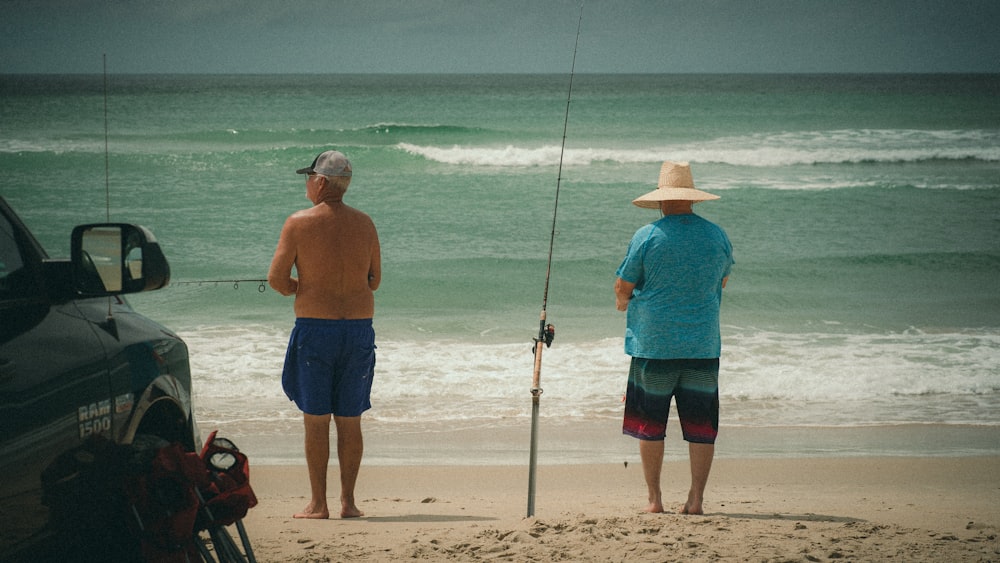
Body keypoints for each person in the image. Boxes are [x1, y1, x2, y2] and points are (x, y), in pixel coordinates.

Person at [614, 161, 734, 515]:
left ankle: (655, 500)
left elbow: (624, 285)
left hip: (654, 346)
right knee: (701, 426)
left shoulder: (648, 235)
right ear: (692, 199)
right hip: (702, 345)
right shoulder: (717, 235)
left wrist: (623, 302)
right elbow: (722, 279)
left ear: (662, 200)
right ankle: (696, 500)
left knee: (650, 425)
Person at [268, 149, 382, 519]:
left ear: (320, 182)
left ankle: (319, 504)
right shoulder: (365, 223)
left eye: (308, 177)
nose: (306, 184)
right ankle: (349, 503)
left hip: (316, 332)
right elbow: (375, 280)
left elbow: (276, 279)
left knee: (316, 420)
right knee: (350, 419)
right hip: (358, 331)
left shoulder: (298, 223)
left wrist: (298, 288)